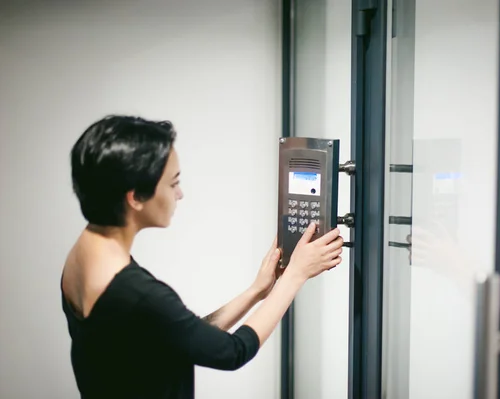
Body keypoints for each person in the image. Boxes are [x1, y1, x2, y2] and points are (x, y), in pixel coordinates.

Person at [60, 115, 344, 399]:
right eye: (173, 184)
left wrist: (257, 291)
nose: (180, 194)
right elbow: (232, 351)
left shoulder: (82, 256)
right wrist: (295, 275)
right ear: (135, 197)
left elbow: (181, 335)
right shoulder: (137, 293)